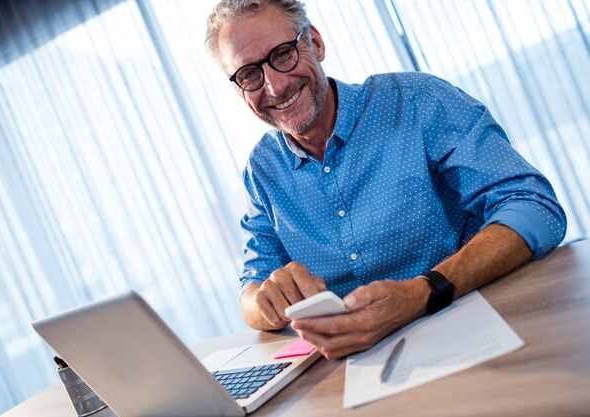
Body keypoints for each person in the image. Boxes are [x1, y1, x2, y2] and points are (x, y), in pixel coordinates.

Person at [205, 0, 566, 360]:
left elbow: (535, 208)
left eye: (283, 54)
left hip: (477, 329)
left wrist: (422, 293)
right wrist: (264, 300)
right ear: (238, 88)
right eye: (249, 74)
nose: (275, 86)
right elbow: (251, 288)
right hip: (355, 366)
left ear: (314, 42)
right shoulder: (262, 170)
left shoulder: (416, 101)